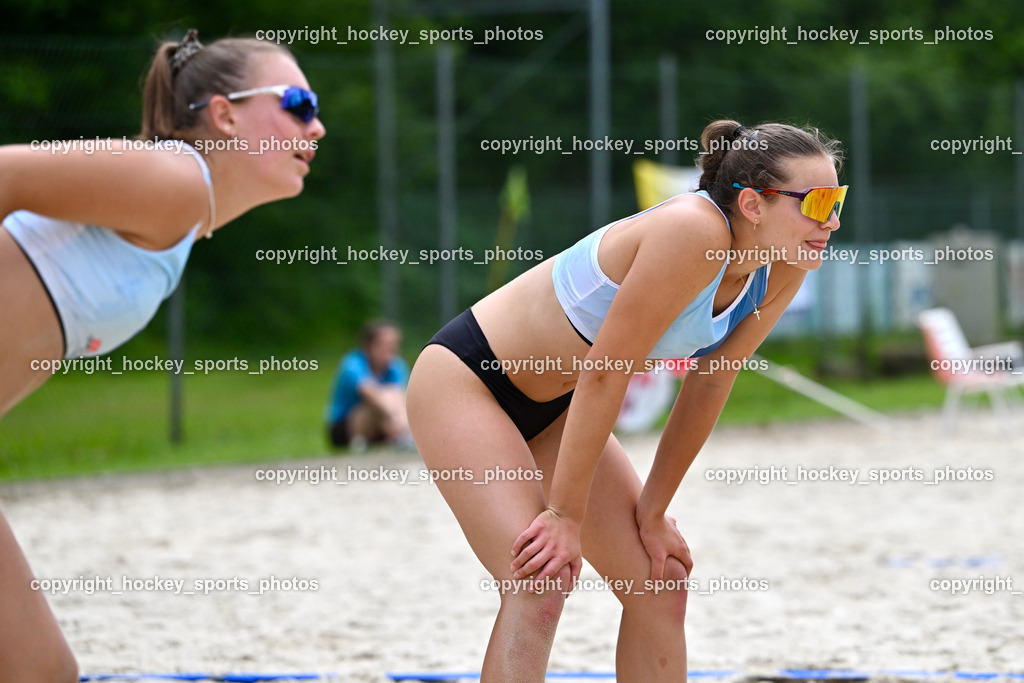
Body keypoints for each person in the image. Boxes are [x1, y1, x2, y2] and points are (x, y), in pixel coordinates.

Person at [406, 120, 845, 681]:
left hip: (557, 409)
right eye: (817, 201)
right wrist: (564, 514)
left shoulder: (782, 264)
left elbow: (710, 382)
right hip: (468, 382)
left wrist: (654, 512)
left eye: (838, 198)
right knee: (539, 582)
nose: (831, 220)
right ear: (753, 204)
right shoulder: (694, 231)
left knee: (660, 582)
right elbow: (604, 376)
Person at [0, 29, 325, 681]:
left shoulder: (179, 217)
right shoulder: (172, 177)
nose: (316, 127)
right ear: (225, 114)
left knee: (39, 670)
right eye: (298, 101)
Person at [326, 319, 412, 450]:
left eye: (393, 345)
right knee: (382, 397)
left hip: (383, 423)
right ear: (368, 346)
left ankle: (401, 434)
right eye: (383, 345)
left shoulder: (396, 366)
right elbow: (369, 392)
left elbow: (400, 396)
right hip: (346, 426)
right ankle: (402, 433)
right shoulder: (353, 363)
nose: (389, 350)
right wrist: (397, 420)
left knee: (394, 394)